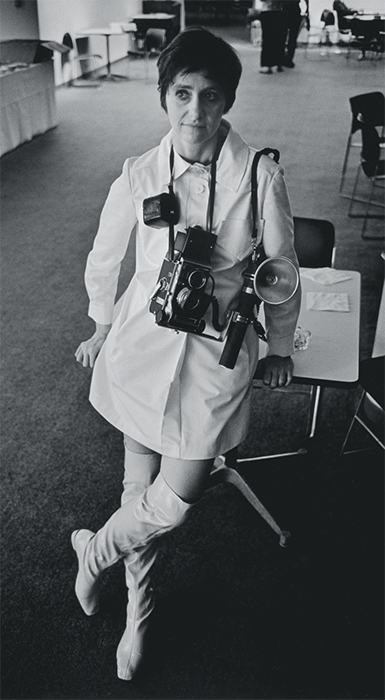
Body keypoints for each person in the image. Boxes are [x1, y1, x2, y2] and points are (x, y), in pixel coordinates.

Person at [73, 27, 301, 681]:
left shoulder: (259, 177)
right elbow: (104, 255)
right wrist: (99, 321)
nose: (194, 112)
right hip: (141, 349)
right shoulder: (139, 173)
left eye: (209, 96)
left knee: (174, 498)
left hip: (211, 362)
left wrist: (280, 343)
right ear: (163, 97)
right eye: (181, 94)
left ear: (227, 99)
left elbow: (282, 269)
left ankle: (93, 554)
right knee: (137, 488)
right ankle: (136, 618)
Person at [259, 1, 287, 73]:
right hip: (279, 12)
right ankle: (279, 63)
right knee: (279, 39)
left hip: (267, 12)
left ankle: (268, 65)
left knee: (267, 39)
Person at [281, 0, 310, 68]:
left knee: (282, 37)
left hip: (284, 10)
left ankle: (282, 58)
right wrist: (307, 11)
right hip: (295, 10)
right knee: (293, 37)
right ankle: (289, 59)